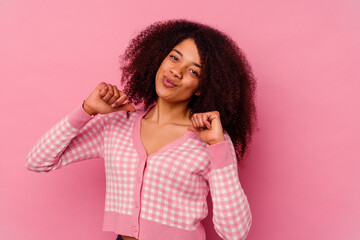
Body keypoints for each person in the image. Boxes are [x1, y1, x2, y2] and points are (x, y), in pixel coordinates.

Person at [26, 19, 257, 240]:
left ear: (201, 88)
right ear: (159, 59)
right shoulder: (118, 124)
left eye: (193, 71)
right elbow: (38, 161)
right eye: (174, 58)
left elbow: (234, 233)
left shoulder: (211, 139)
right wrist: (86, 110)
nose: (177, 71)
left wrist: (218, 147)